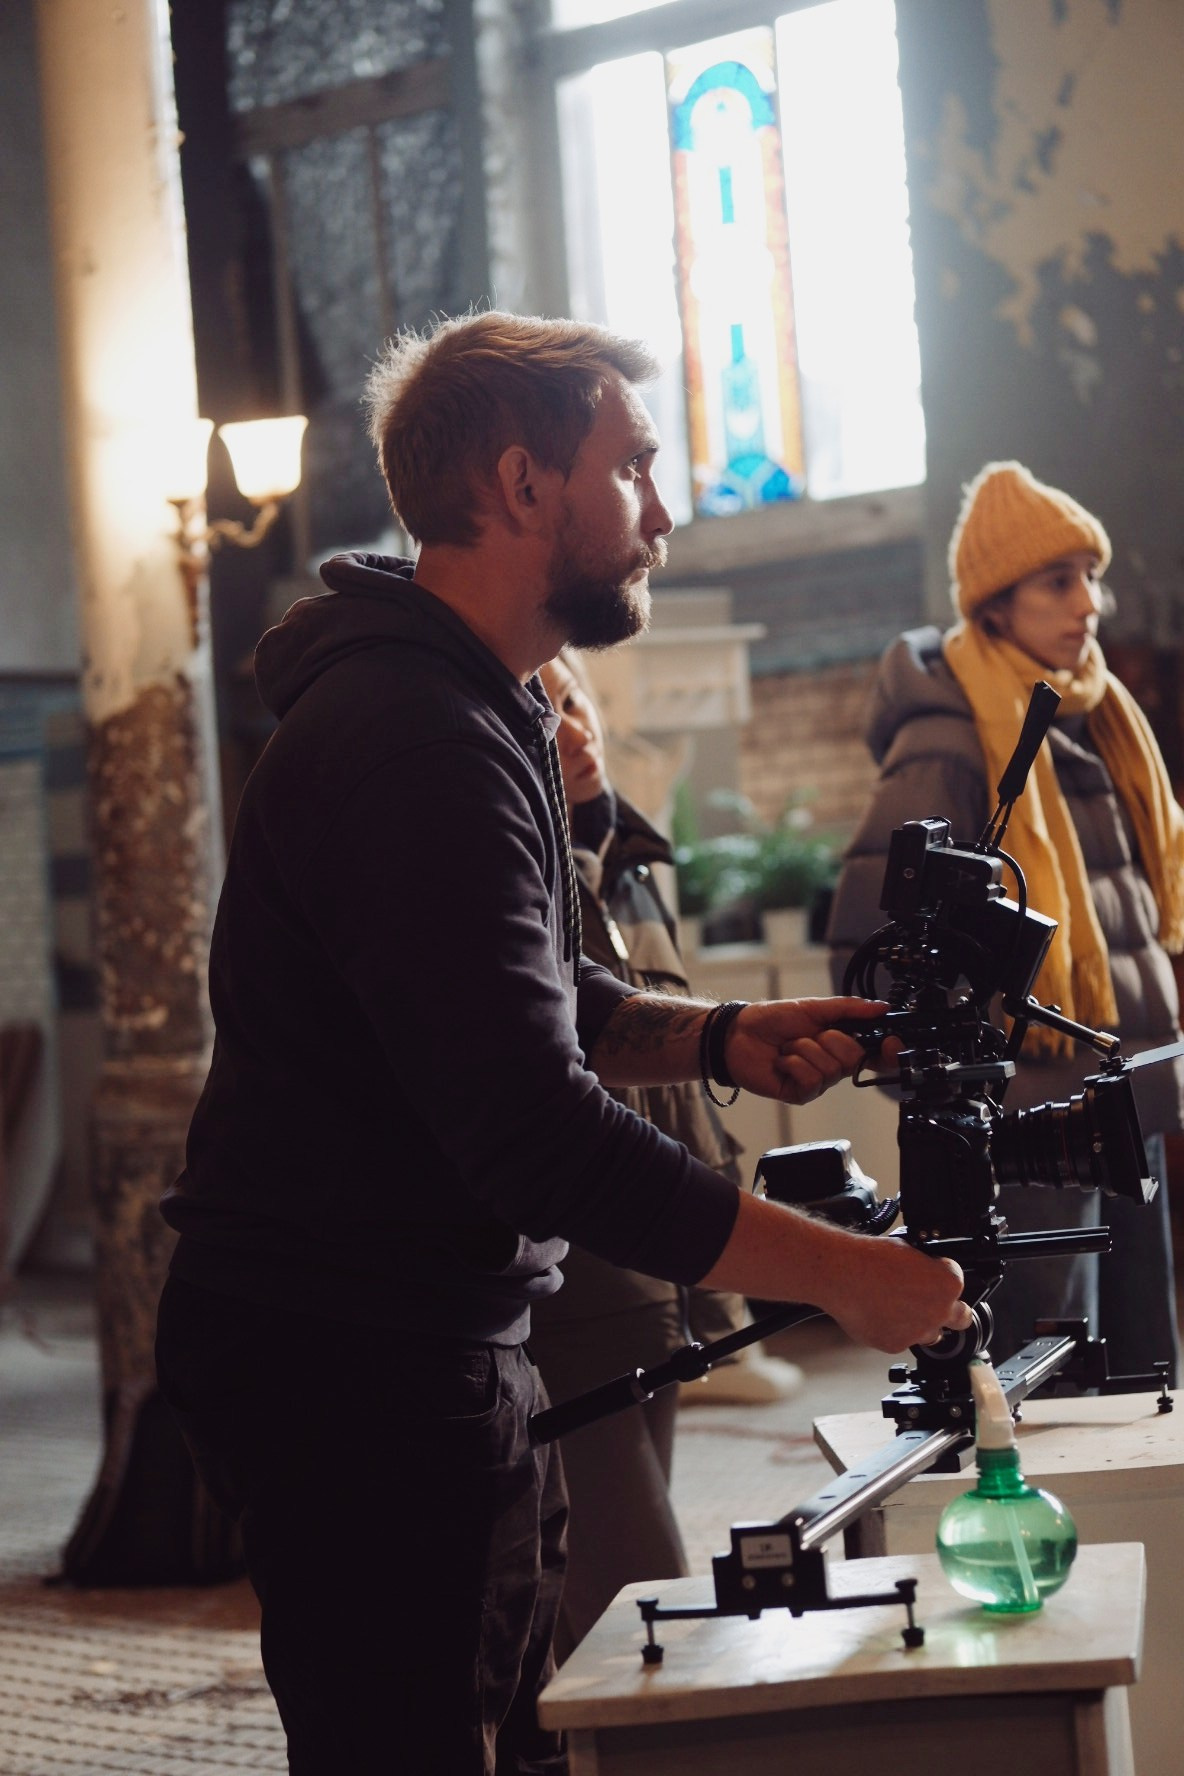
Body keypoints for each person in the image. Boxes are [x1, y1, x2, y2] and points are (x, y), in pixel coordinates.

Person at [154, 310, 970, 1776]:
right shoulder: (413, 738)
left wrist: (723, 1039)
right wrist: (842, 1273)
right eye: (637, 471)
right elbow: (529, 1121)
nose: (665, 515)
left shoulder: (485, 706)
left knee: (516, 1724)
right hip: (349, 1351)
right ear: (525, 488)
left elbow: (542, 997)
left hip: (428, 1331)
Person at [828, 459, 1184, 1379]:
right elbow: (878, 939)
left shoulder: (1091, 720)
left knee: (1136, 1369)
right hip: (1026, 1114)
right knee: (1045, 1370)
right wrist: (956, 1099)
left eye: (1092, 576)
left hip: (1112, 1094)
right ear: (994, 605)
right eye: (1059, 581)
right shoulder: (949, 734)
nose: (1089, 603)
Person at [529, 648, 800, 1659]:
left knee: (593, 1583)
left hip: (662, 1262)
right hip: (581, 1265)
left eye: (577, 700)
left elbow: (678, 1079)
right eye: (541, 708)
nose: (572, 727)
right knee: (636, 1598)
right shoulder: (514, 866)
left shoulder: (628, 861)